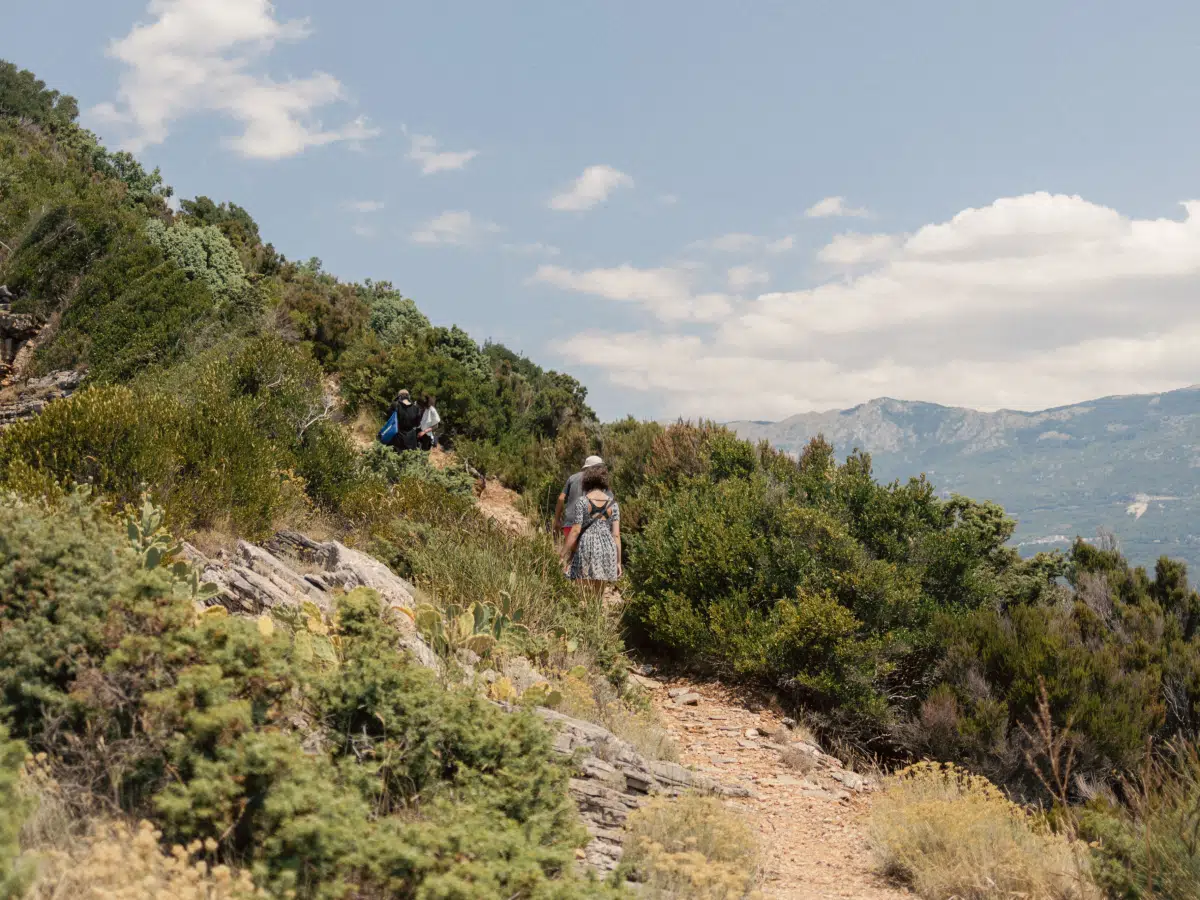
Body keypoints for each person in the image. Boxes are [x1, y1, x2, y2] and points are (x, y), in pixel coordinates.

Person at [561, 465, 621, 590]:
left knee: (582, 592)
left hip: (587, 546)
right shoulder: (613, 504)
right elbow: (616, 535)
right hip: (607, 548)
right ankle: (596, 609)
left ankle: (585, 609)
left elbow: (576, 530)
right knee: (598, 596)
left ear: (587, 481)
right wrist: (618, 561)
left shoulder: (582, 501)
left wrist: (562, 554)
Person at [553, 455, 609, 538]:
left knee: (572, 550)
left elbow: (561, 498)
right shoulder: (598, 481)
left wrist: (557, 520)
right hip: (588, 526)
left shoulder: (572, 478)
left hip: (570, 524)